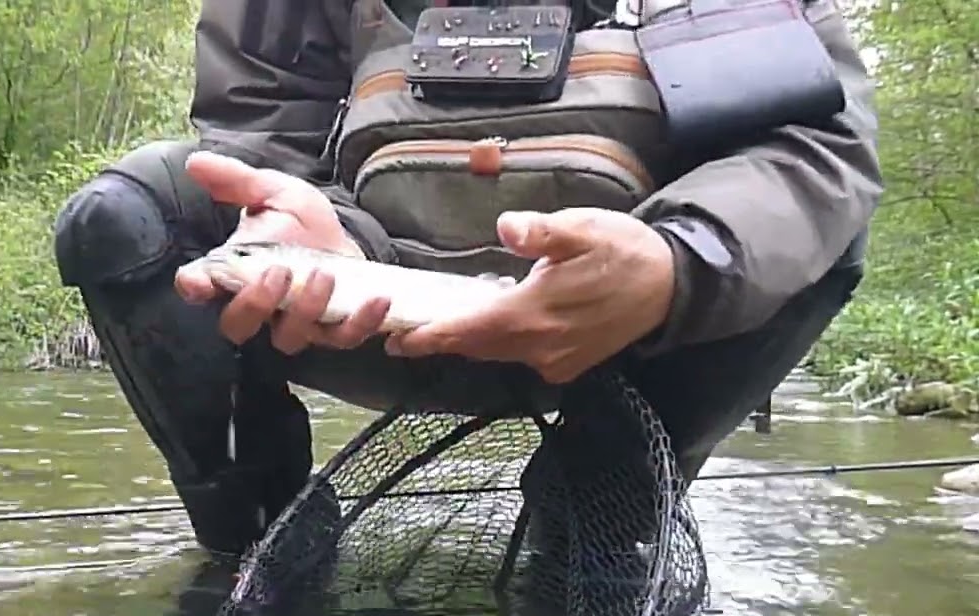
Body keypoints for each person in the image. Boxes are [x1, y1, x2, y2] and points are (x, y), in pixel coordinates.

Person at [53, 0, 882, 562]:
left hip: (636, 321)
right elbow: (259, 136)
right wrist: (305, 225)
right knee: (121, 218)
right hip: (364, 298)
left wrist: (678, 261)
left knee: (817, 235)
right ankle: (254, 525)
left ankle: (603, 500)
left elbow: (806, 146)